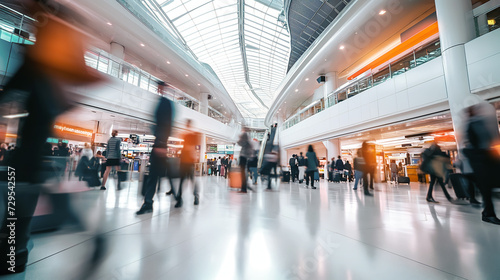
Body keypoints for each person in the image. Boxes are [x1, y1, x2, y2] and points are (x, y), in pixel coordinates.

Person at [137, 81, 174, 215]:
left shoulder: (166, 103)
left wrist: (162, 143)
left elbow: (167, 124)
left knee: (157, 174)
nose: (158, 89)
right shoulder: (160, 101)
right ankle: (149, 203)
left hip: (160, 145)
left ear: (164, 88)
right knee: (158, 174)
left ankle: (149, 202)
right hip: (158, 144)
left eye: (160, 87)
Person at [462, 103, 500, 224]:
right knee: (485, 188)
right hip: (480, 160)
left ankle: (487, 212)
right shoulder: (473, 124)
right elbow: (480, 142)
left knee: (486, 187)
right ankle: (488, 213)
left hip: (485, 159)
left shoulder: (479, 123)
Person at [175, 119, 200, 208]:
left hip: (189, 161)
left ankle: (195, 196)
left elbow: (192, 148)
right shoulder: (185, 134)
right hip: (184, 160)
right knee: (183, 180)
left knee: (190, 179)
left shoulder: (192, 135)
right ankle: (180, 198)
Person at [237, 127, 254, 193]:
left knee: (243, 172)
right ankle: (244, 187)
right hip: (245, 156)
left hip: (243, 156)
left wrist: (239, 138)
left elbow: (241, 143)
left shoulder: (245, 135)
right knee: (244, 172)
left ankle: (243, 188)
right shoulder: (248, 136)